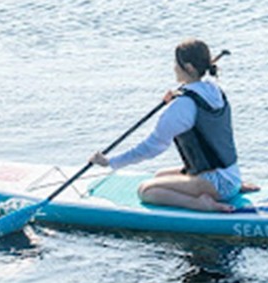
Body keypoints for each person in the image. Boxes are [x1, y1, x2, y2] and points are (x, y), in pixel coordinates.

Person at [90, 39, 258, 213]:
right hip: (232, 175)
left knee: (147, 190)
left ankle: (202, 204)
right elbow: (197, 102)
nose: (173, 67)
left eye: (176, 63)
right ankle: (231, 186)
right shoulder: (215, 90)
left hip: (218, 184)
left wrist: (110, 162)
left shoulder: (182, 105)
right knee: (159, 176)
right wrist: (177, 98)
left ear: (189, 67)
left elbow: (152, 147)